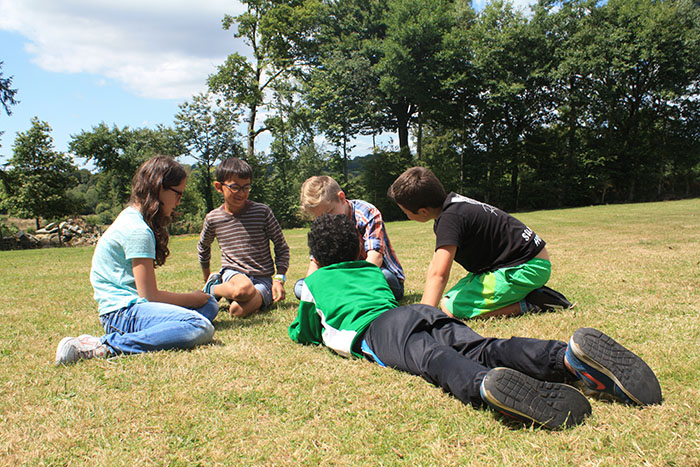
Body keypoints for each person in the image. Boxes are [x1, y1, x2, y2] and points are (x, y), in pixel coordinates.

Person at [288, 214, 662, 429]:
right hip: (421, 311)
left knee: (432, 360)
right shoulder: (371, 273)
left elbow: (305, 330)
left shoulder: (313, 284)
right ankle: (566, 357)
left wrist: (301, 326)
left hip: (379, 330)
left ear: (315, 258)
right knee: (484, 346)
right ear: (357, 248)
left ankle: (483, 384)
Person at [55, 156, 219, 365]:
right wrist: (191, 298)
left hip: (130, 308)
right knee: (200, 326)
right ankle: (102, 346)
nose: (178, 202)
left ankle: (168, 329)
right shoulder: (138, 230)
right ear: (160, 188)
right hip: (122, 314)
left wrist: (199, 300)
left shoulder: (132, 217)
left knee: (210, 305)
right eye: (177, 194)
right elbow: (149, 296)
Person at [387, 166, 570, 320]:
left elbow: (439, 273)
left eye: (405, 212)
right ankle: (528, 295)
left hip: (525, 267)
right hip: (523, 262)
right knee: (449, 297)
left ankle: (530, 304)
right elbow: (436, 263)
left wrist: (423, 317)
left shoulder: (450, 219)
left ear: (423, 211)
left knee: (452, 308)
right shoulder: (453, 206)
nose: (406, 215)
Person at [198, 157, 290, 317]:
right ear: (219, 187)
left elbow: (281, 246)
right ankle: (213, 288)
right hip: (233, 274)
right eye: (235, 187)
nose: (241, 193)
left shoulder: (262, 212)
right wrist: (207, 277)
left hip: (263, 280)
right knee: (243, 289)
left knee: (236, 311)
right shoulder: (213, 218)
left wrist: (278, 279)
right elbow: (203, 247)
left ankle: (228, 293)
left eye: (246, 187)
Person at [294, 175, 405, 301]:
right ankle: (347, 294)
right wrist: (311, 288)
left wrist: (346, 282)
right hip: (340, 277)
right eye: (319, 217)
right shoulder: (323, 223)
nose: (326, 220)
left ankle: (339, 295)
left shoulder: (367, 212)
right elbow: (315, 264)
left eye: (330, 212)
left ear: (341, 198)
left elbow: (375, 258)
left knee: (385, 277)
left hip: (372, 274)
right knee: (301, 287)